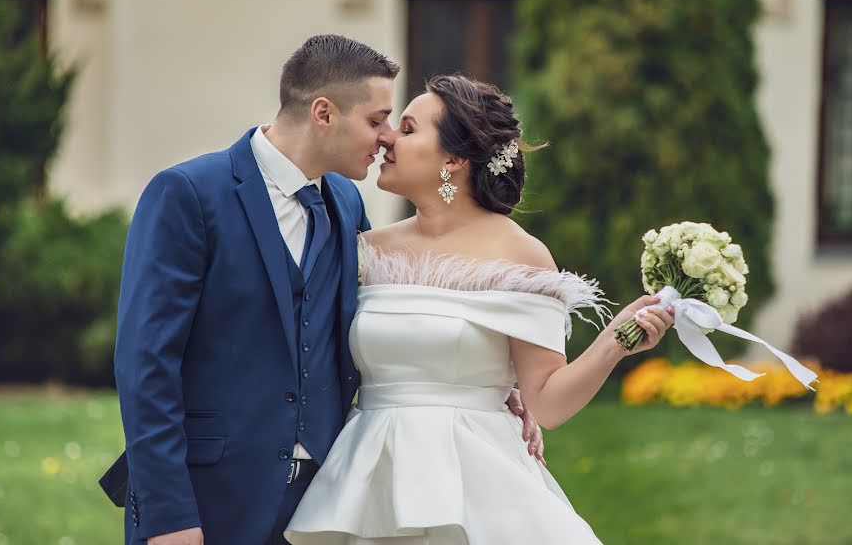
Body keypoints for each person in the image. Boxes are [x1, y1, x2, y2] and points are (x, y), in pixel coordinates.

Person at [100, 35, 544, 545]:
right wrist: (169, 517)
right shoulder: (189, 194)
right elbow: (146, 365)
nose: (385, 139)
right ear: (324, 113)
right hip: (207, 503)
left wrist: (487, 378)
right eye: (376, 120)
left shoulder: (345, 203)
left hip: (320, 508)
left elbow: (373, 326)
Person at [284, 75, 675, 544]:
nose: (387, 138)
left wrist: (613, 342)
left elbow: (547, 402)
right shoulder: (366, 249)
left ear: (453, 158)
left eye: (408, 130)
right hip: (368, 475)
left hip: (475, 478)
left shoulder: (521, 256)